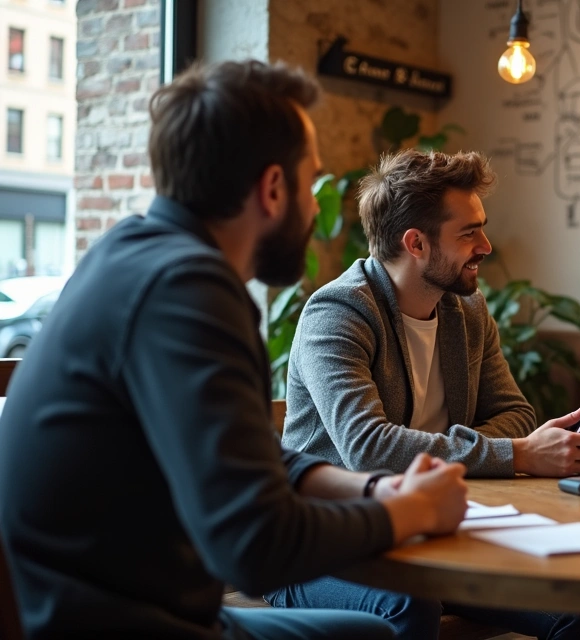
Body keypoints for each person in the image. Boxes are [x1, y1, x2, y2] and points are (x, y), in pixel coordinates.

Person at [0, 60, 470, 640]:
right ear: (273, 189)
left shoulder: (127, 253)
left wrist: (374, 487)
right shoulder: (189, 291)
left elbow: (250, 458)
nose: (314, 207)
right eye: (310, 181)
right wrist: (413, 512)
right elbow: (254, 546)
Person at [271, 149, 580, 639]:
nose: (486, 246)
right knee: (410, 600)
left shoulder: (465, 311)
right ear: (416, 243)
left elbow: (515, 411)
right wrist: (515, 454)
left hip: (437, 531)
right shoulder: (337, 314)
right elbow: (369, 448)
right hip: (322, 546)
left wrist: (500, 451)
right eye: (468, 233)